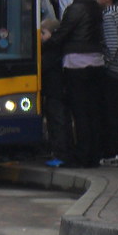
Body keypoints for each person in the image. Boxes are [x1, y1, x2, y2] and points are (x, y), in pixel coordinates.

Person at [42, 0, 105, 167]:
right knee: (93, 110)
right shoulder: (96, 8)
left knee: (79, 111)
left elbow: (61, 36)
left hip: (76, 63)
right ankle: (94, 153)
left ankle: (82, 154)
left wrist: (47, 39)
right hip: (97, 61)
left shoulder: (74, 9)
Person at [97, 0, 118, 166]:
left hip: (113, 71)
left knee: (110, 114)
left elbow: (113, 45)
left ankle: (113, 153)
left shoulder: (109, 15)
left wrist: (104, 63)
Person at [39, 17, 72, 165]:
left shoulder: (52, 50)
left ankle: (61, 154)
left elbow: (43, 67)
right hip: (54, 91)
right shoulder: (55, 49)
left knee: (57, 122)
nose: (40, 36)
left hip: (55, 92)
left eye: (43, 33)